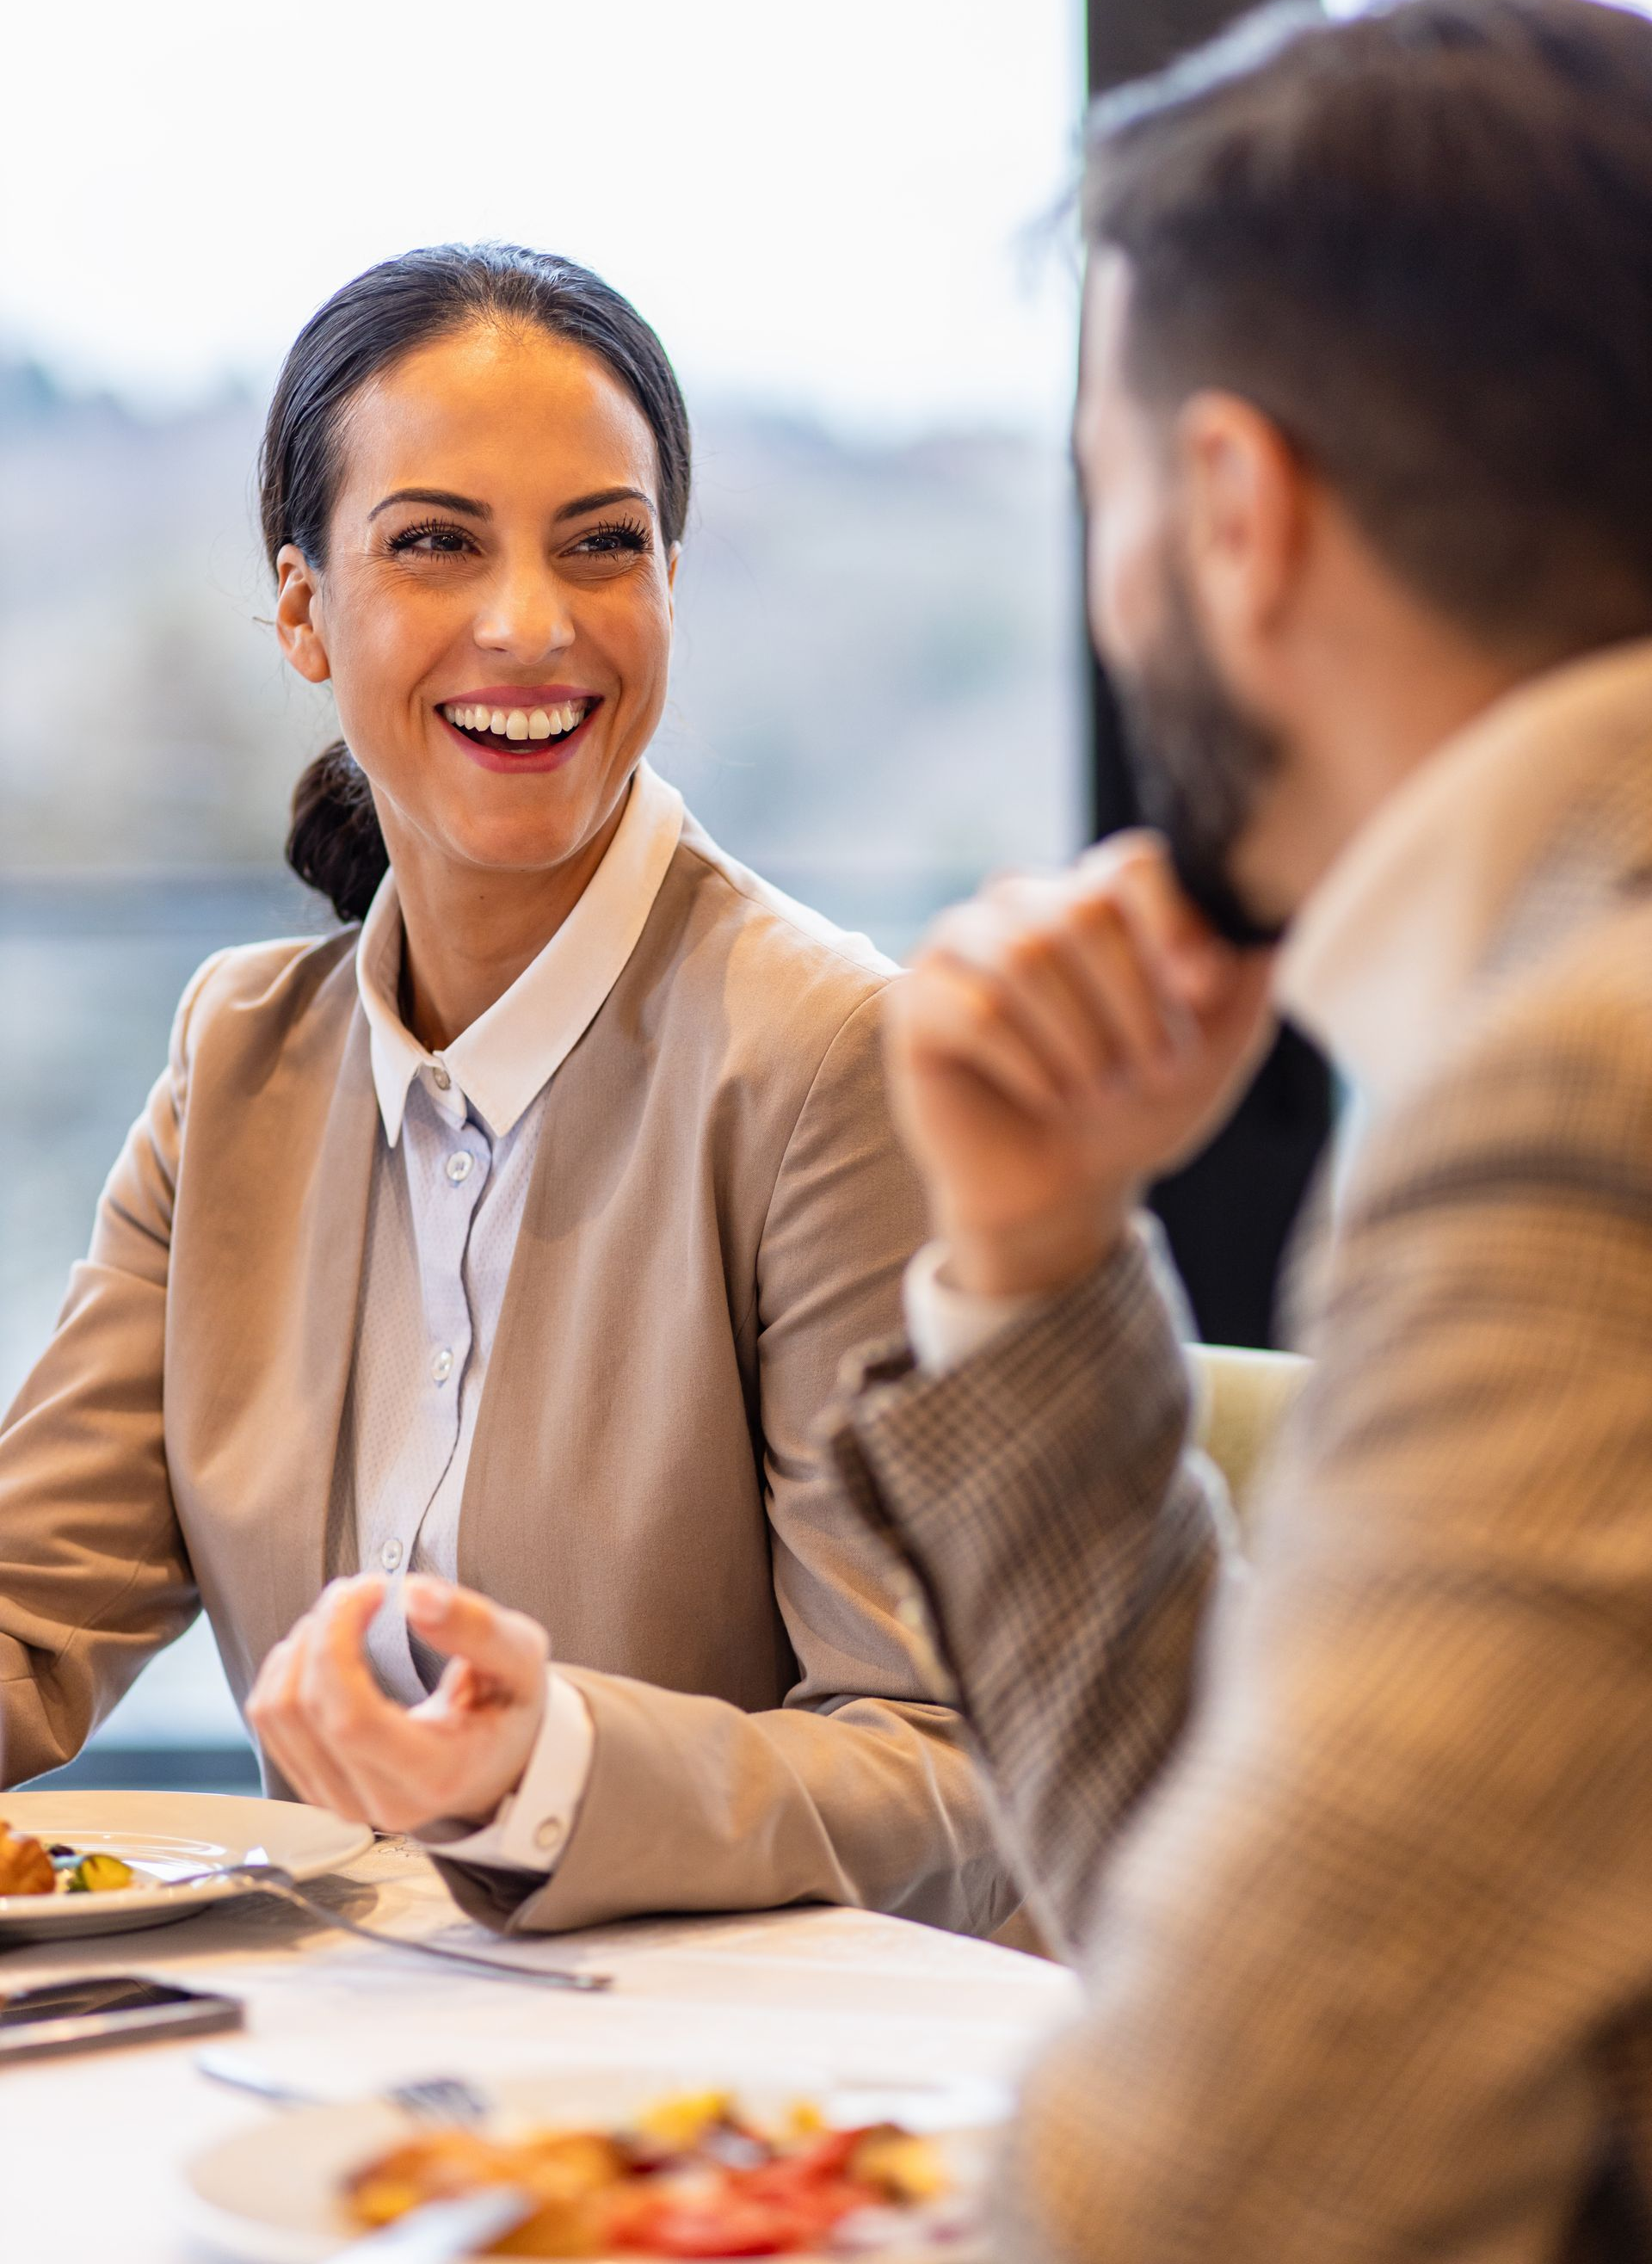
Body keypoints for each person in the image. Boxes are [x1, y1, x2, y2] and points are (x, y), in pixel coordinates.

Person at [827, 1, 1652, 2253]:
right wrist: (1034, 1252)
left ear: (1229, 506)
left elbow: (1208, 2185)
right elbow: (1281, 1943)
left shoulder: (1581, 1091)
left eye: (1102, 484)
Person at [0, 244, 1014, 1942]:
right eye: (435, 543)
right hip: (326, 2067)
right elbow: (30, 1607)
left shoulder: (829, 1060)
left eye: (603, 545)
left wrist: (543, 1768)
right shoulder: (235, 1059)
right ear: (304, 611)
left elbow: (950, 1769)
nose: (532, 622)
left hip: (735, 2100)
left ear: (671, 586)